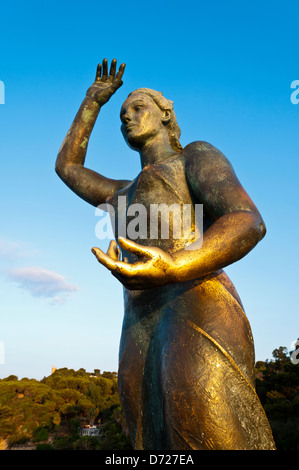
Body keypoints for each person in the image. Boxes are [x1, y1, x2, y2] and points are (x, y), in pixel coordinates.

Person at [55, 58, 276, 450]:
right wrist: (93, 101)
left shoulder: (193, 156)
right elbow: (68, 166)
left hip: (198, 307)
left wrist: (175, 264)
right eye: (122, 114)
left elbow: (247, 220)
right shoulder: (121, 194)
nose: (127, 116)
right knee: (147, 439)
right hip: (139, 325)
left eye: (138, 107)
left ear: (165, 114)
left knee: (209, 428)